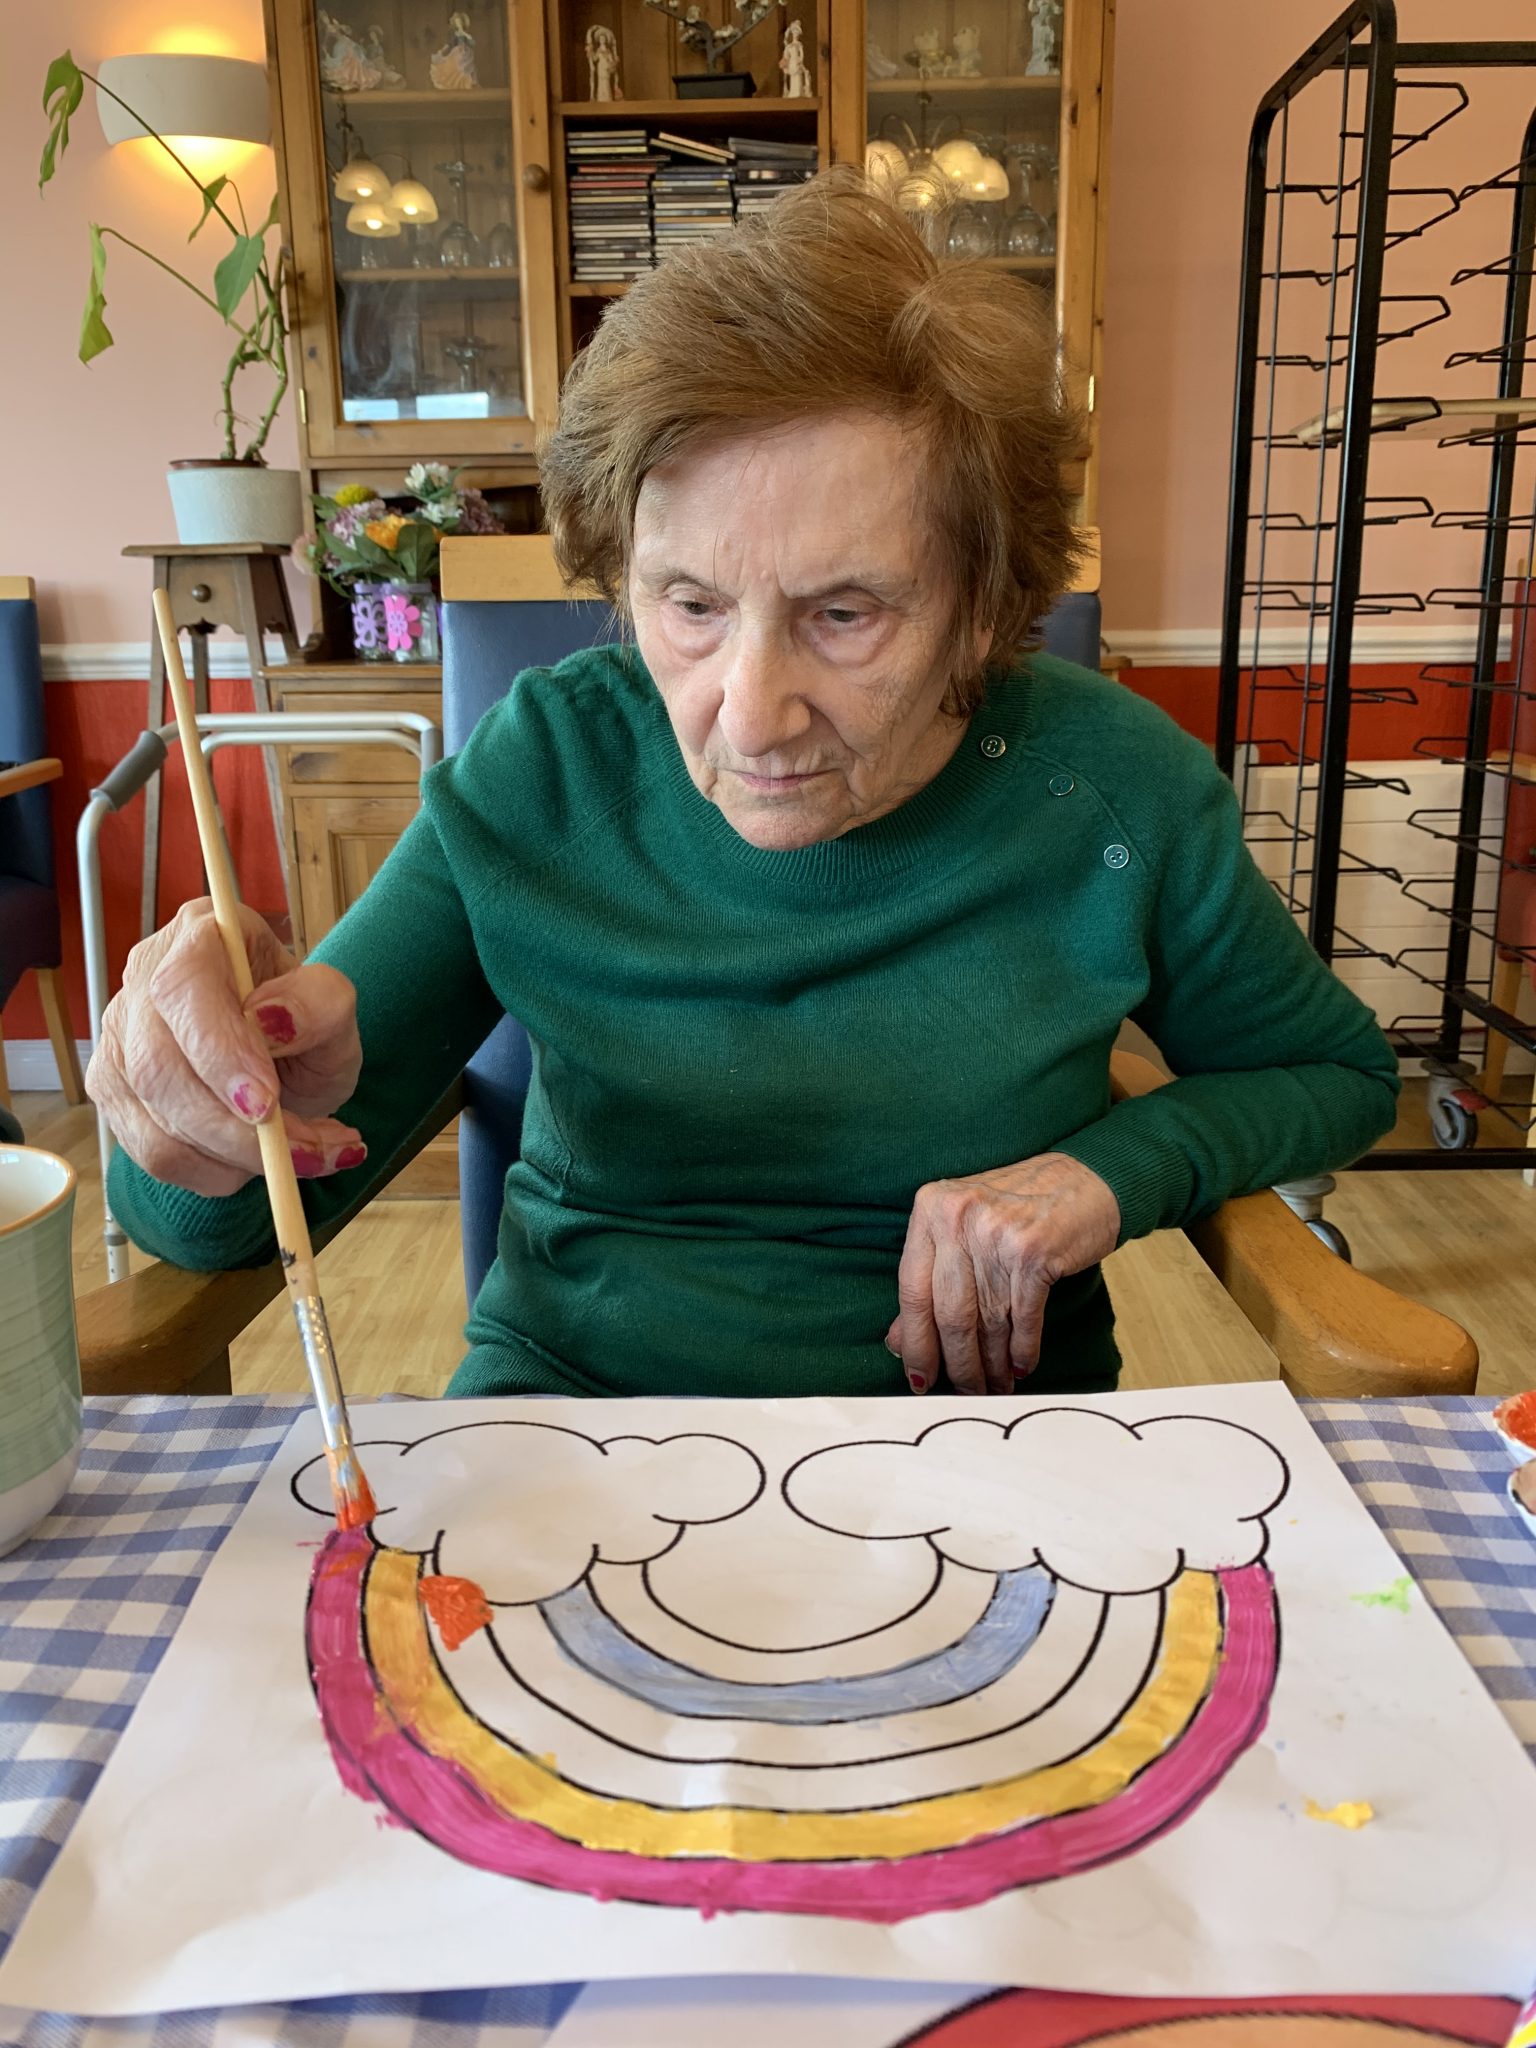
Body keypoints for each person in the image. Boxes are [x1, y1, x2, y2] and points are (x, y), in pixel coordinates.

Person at [89, 172, 1399, 1402]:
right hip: (570, 1427)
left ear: (984, 609)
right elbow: (221, 1223)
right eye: (692, 606)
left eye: (845, 613)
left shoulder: (1117, 793)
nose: (750, 715)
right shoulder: (548, 768)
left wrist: (1109, 1173)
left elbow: (1332, 1072)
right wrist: (196, 1088)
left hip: (982, 1445)